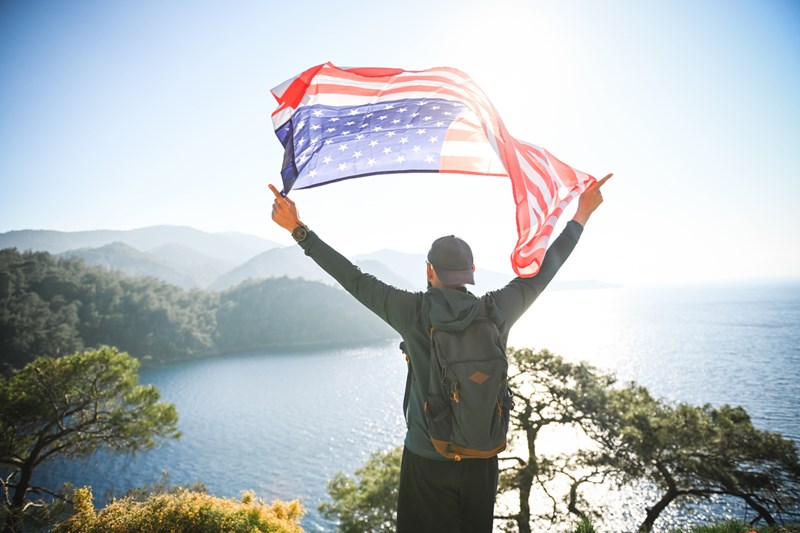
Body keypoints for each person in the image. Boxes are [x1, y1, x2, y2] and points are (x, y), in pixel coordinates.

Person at [268, 174, 612, 533]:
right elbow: (545, 271)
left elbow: (353, 278)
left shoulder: (412, 311)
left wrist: (298, 229)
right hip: (482, 458)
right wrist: (581, 214)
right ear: (472, 272)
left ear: (429, 270)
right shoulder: (497, 310)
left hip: (426, 455)